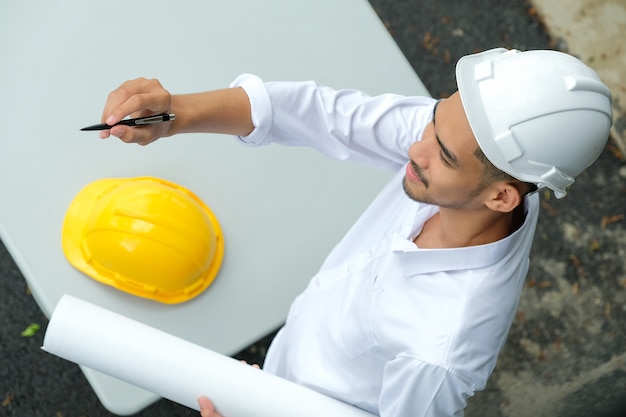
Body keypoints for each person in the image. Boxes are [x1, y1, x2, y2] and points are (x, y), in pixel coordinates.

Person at [96, 48, 612, 417]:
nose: (416, 147)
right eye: (434, 121)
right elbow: (327, 115)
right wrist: (175, 114)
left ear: (500, 197)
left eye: (444, 154)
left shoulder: (441, 349)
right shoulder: (484, 163)